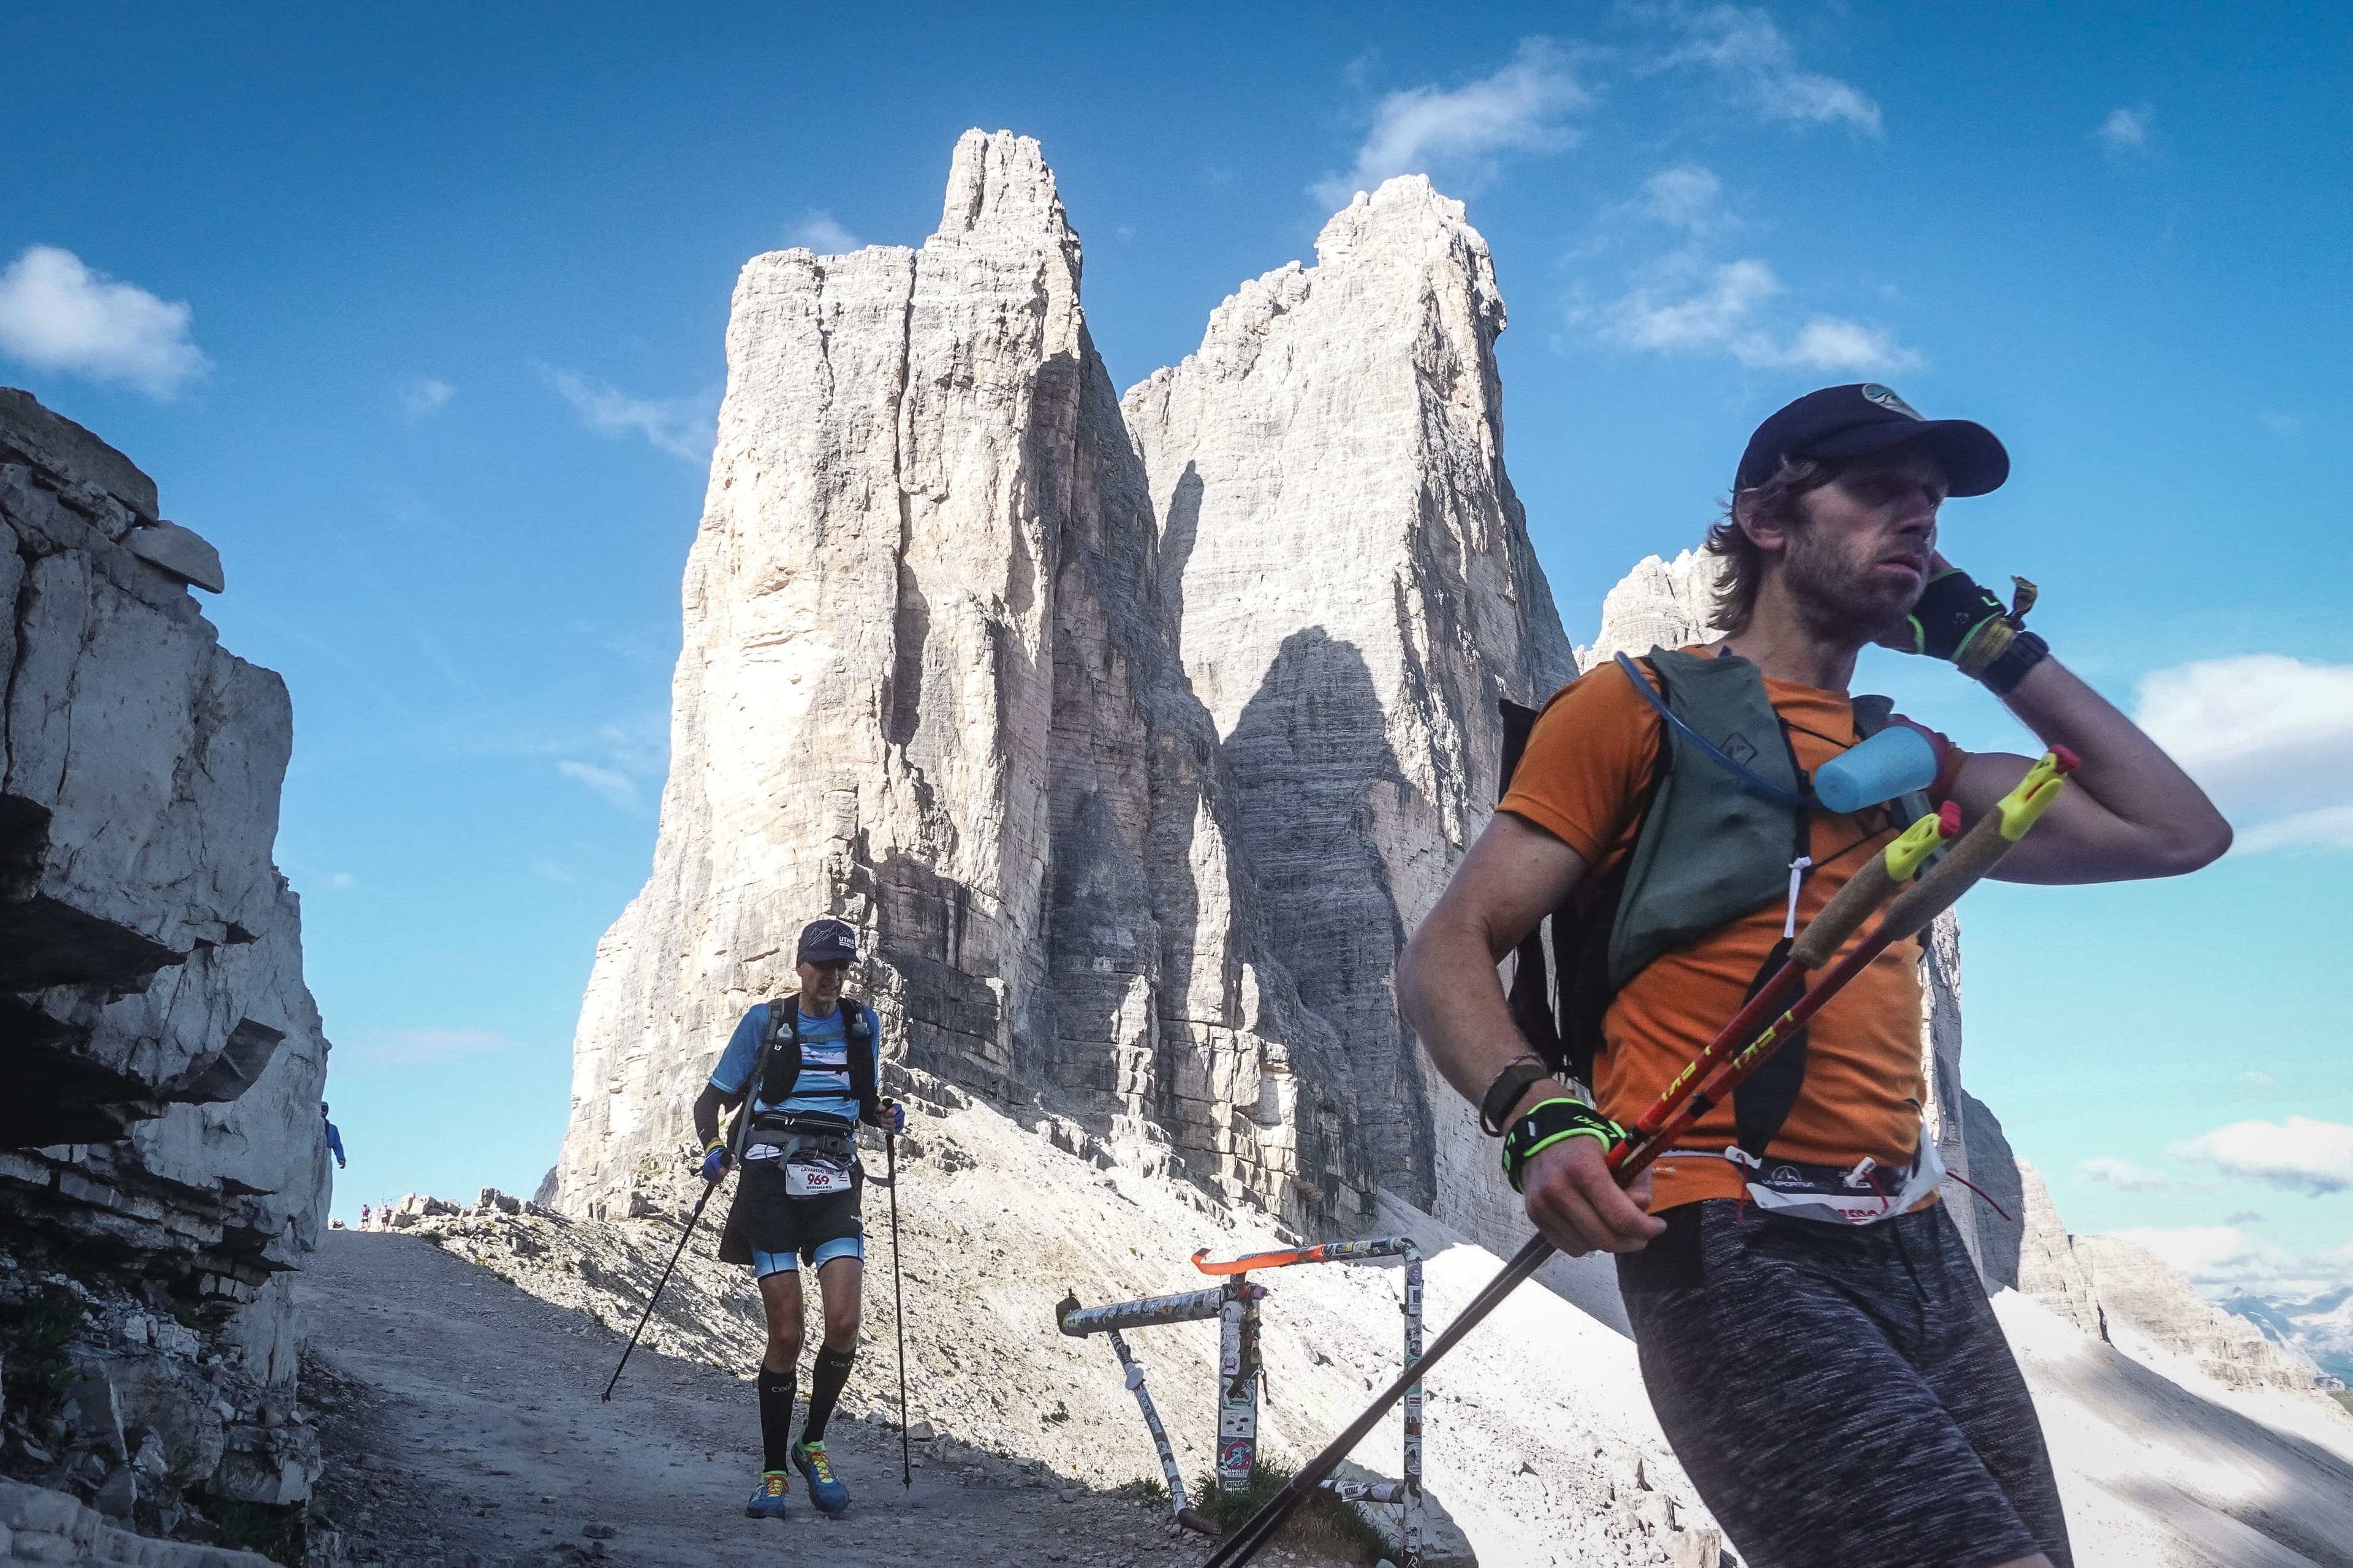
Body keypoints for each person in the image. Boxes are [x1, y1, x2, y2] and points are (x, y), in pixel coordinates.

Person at [1398, 384, 2230, 1568]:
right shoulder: (1632, 709)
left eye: (1934, 503)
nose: (1922, 522)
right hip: (1721, 1229)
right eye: (1881, 489)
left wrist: (1992, 645)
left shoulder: (1914, 765)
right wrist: (1535, 1108)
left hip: (1914, 1237)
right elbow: (1446, 944)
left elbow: (2176, 831)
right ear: (1767, 516)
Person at [694, 917, 906, 1521]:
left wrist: (885, 1114)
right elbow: (710, 1101)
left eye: (843, 968)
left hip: (835, 1179)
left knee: (844, 1323)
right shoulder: (767, 1022)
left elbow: (865, 1102)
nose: (833, 979)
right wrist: (713, 1147)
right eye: (823, 967)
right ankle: (772, 1473)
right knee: (786, 1334)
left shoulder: (863, 1025)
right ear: (800, 966)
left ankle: (811, 1443)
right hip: (768, 1184)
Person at [321, 1103, 346, 1170]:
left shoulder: (333, 1129)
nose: (322, 1111)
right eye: (321, 1109)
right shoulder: (310, 1123)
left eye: (324, 1109)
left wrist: (341, 1159)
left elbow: (338, 1146)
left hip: (324, 1157)